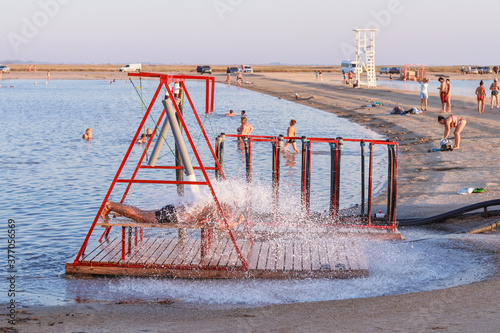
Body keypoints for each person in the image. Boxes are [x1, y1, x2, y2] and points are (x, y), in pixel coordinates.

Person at [101, 201, 244, 230]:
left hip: (172, 211)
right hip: (172, 215)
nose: (226, 216)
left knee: (141, 212)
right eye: (226, 214)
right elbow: (218, 225)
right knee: (139, 217)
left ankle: (112, 204)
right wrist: (237, 223)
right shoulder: (212, 208)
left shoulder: (208, 204)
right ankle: (109, 206)